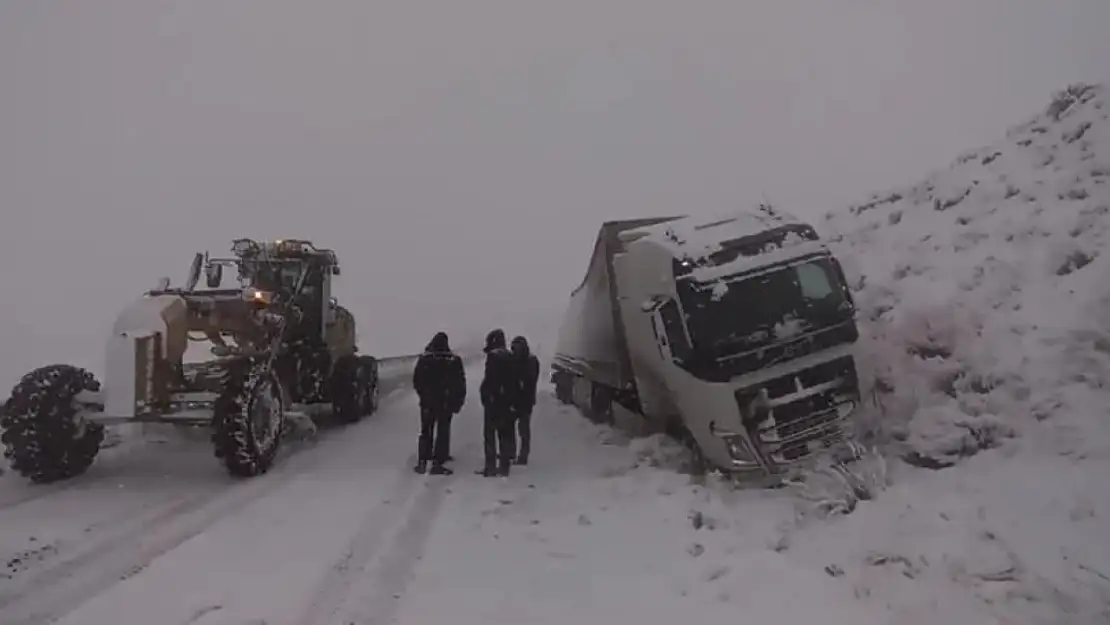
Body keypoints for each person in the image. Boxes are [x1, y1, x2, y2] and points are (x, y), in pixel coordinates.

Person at [411, 331, 466, 475]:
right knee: (443, 431)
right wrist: (457, 401)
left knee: (426, 431)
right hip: (445, 403)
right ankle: (439, 461)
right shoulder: (453, 360)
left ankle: (423, 460)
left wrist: (423, 395)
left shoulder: (425, 359)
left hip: (428, 403)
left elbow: (417, 381)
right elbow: (460, 383)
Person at [478, 328, 516, 477]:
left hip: (494, 403)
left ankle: (490, 467)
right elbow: (513, 382)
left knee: (490, 435)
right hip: (507, 403)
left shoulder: (493, 357)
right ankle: (504, 467)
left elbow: (490, 381)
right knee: (505, 434)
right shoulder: (510, 357)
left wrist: (487, 397)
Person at [509, 335, 540, 465]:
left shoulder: (529, 361)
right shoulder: (530, 360)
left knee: (522, 429)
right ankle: (516, 454)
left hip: (523, 401)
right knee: (519, 429)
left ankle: (520, 455)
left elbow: (529, 380)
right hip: (520, 400)